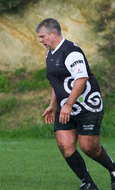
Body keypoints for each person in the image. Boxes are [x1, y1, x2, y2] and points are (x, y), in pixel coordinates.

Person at [37, 18, 115, 190]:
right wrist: (53, 105)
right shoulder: (49, 54)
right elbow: (56, 82)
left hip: (87, 106)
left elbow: (81, 79)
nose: (40, 40)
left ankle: (113, 170)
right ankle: (88, 184)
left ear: (53, 33)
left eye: (42, 36)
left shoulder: (71, 52)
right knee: (65, 145)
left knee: (89, 147)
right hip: (66, 107)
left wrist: (68, 105)